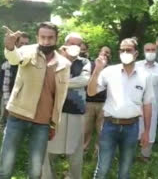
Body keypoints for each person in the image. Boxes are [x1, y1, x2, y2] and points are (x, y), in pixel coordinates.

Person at [0, 22, 71, 178]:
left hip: (42, 123)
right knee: (5, 165)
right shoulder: (26, 51)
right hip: (18, 116)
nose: (46, 41)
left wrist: (54, 123)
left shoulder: (64, 64)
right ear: (38, 37)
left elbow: (60, 97)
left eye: (50, 38)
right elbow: (14, 59)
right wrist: (10, 47)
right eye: (43, 37)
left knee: (35, 169)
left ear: (56, 38)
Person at [87, 38, 153, 179]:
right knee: (102, 168)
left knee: (125, 170)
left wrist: (146, 131)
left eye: (128, 50)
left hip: (132, 128)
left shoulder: (145, 76)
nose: (125, 52)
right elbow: (91, 92)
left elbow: (147, 105)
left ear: (136, 53)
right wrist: (97, 70)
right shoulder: (109, 71)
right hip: (109, 126)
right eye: (122, 50)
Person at [42, 32, 91, 179]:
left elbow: (85, 80)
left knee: (75, 151)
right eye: (72, 43)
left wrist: (62, 84)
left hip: (77, 110)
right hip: (55, 111)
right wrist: (63, 60)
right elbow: (49, 77)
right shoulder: (54, 60)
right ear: (65, 44)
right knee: (49, 149)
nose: (75, 46)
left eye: (78, 44)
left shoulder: (84, 62)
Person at [136, 42, 158, 161]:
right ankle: (130, 152)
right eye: (147, 49)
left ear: (156, 51)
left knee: (150, 126)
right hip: (136, 101)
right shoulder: (136, 65)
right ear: (143, 51)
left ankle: (145, 155)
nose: (150, 52)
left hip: (153, 103)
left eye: (153, 50)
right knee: (135, 125)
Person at [83, 46, 111, 153]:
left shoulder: (110, 69)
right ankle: (83, 150)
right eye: (103, 51)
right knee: (85, 129)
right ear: (99, 52)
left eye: (108, 52)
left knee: (101, 130)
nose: (105, 54)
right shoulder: (90, 65)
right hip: (88, 102)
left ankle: (98, 152)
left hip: (104, 103)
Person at [0, 32, 29, 126]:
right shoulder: (8, 63)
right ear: (16, 43)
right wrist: (7, 104)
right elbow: (5, 86)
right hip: (9, 100)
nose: (24, 46)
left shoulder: (29, 60)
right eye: (22, 43)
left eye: (26, 44)